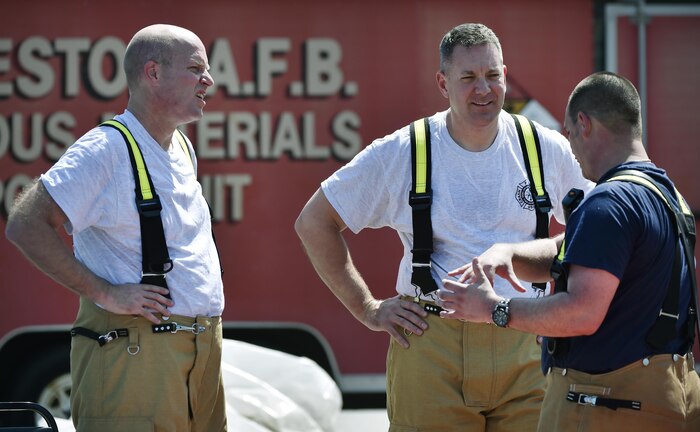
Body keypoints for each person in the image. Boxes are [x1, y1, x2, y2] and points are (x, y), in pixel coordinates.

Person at [295, 23, 592, 430]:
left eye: (493, 76)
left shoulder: (543, 146)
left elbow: (593, 230)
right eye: (468, 78)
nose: (484, 90)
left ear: (505, 74)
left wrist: (564, 313)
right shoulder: (404, 151)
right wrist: (368, 309)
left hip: (526, 341)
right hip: (432, 347)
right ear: (442, 82)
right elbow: (314, 221)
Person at [438, 71, 700, 431]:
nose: (570, 146)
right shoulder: (668, 197)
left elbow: (581, 313)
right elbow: (580, 250)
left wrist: (493, 309)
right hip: (668, 398)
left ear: (584, 123)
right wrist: (510, 254)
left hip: (606, 407)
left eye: (570, 132)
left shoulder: (608, 203)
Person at [5, 24, 226, 432]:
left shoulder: (181, 146)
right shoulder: (104, 150)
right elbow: (25, 224)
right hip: (136, 356)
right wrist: (105, 292)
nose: (208, 80)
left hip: (199, 355)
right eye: (196, 68)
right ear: (153, 72)